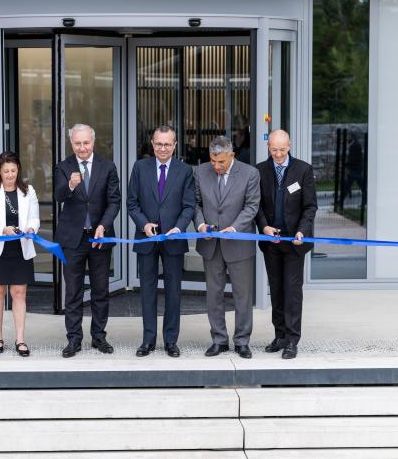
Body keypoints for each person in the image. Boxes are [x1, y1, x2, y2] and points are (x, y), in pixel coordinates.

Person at [127, 125, 195, 357]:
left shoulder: (185, 170)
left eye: (167, 144)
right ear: (152, 144)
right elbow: (132, 203)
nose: (163, 148)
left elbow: (189, 206)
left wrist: (178, 227)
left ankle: (170, 341)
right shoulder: (140, 167)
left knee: (173, 292)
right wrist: (144, 224)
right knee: (147, 291)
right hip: (146, 238)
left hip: (174, 240)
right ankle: (148, 340)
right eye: (159, 144)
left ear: (174, 145)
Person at [54, 124, 121, 358]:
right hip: (72, 238)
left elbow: (114, 201)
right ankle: (74, 339)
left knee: (100, 289)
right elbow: (58, 195)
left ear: (93, 142)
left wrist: (103, 225)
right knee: (73, 291)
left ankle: (99, 337)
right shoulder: (63, 167)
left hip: (99, 237)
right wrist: (71, 184)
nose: (82, 148)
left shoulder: (108, 167)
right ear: (71, 144)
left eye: (86, 143)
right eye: (77, 143)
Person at [194, 136, 260, 359]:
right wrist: (201, 224)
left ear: (232, 155)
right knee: (214, 294)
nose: (216, 166)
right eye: (212, 161)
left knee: (242, 296)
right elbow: (195, 203)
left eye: (221, 161)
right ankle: (219, 340)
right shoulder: (200, 172)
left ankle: (242, 341)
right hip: (211, 244)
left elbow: (252, 206)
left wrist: (234, 228)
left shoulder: (250, 173)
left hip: (239, 243)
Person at [256, 130, 317, 359]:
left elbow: (310, 206)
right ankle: (279, 336)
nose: (278, 154)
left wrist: (303, 230)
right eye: (274, 149)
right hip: (271, 241)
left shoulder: (303, 170)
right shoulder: (260, 171)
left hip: (294, 243)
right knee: (277, 290)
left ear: (289, 145)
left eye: (282, 149)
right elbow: (257, 206)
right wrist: (264, 227)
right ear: (268, 148)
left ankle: (292, 339)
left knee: (292, 292)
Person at [0, 152, 40, 356]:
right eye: (6, 171)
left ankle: (20, 339)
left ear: (18, 170)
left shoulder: (28, 191)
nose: (10, 174)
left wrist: (31, 229)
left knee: (19, 294)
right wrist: (2, 230)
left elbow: (34, 218)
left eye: (13, 170)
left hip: (20, 249)